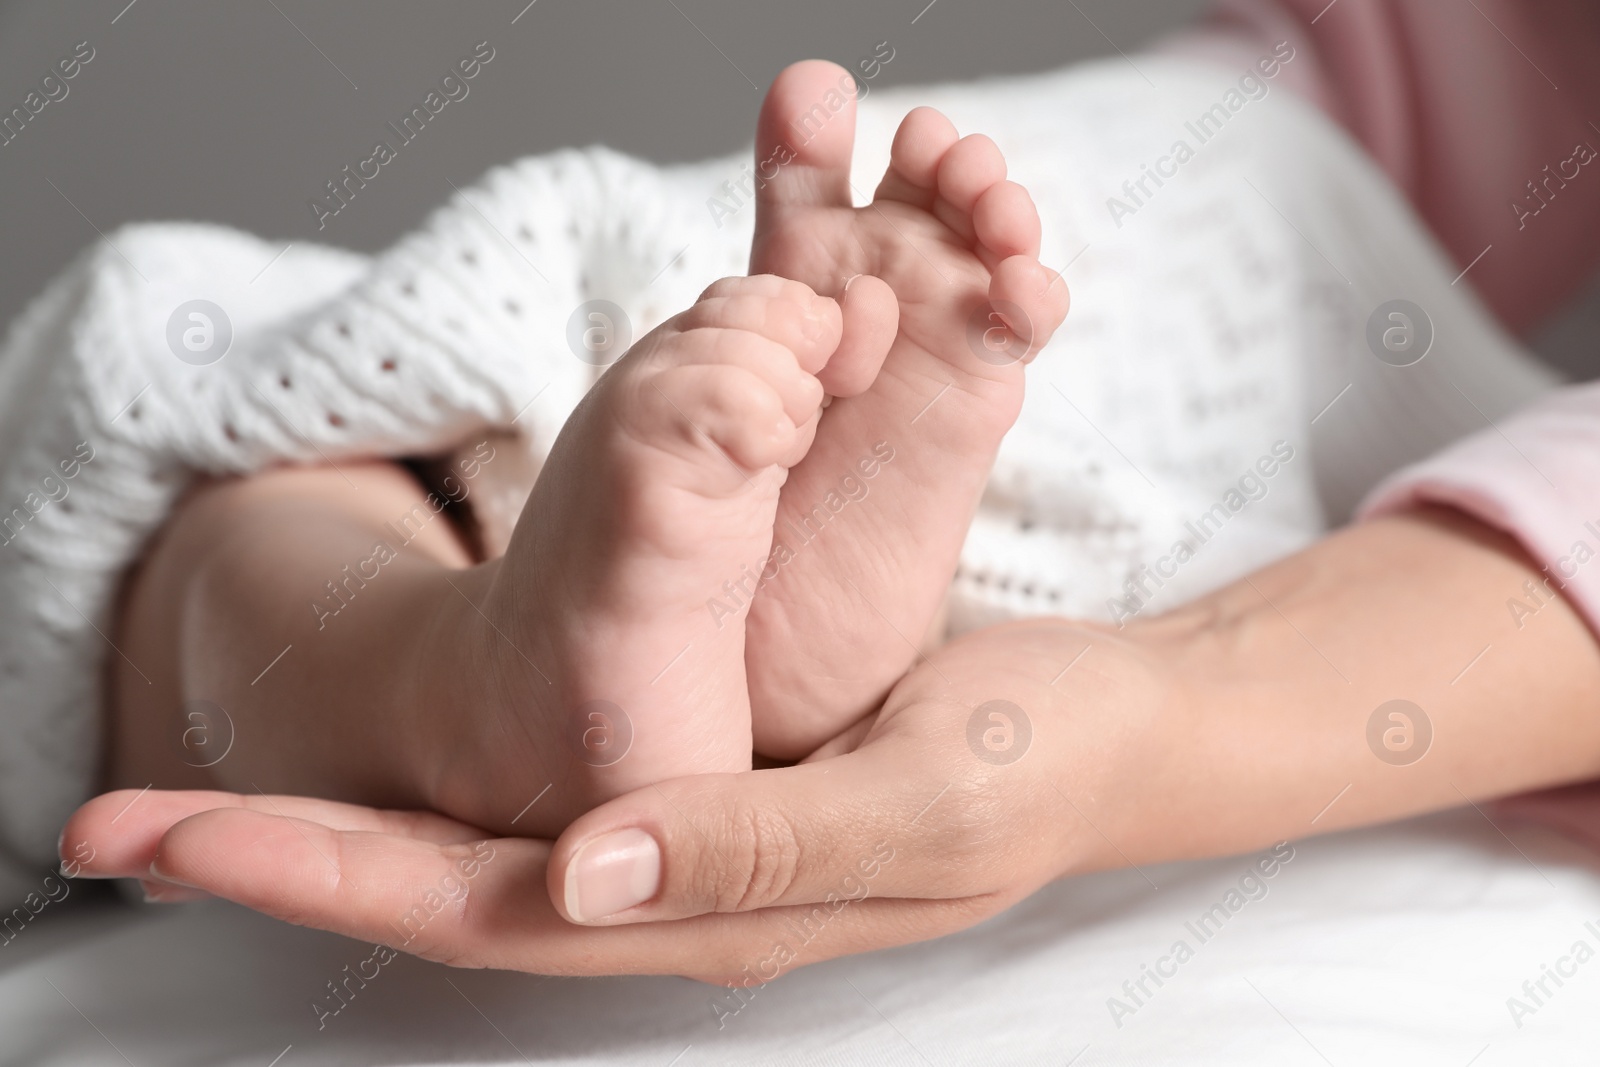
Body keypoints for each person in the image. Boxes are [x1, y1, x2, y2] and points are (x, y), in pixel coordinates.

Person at [31, 0, 1600, 982]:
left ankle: (467, 664)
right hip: (1348, 186)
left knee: (273, 470)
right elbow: (1456, 80)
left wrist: (1168, 715)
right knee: (1251, 225)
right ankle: (520, 641)